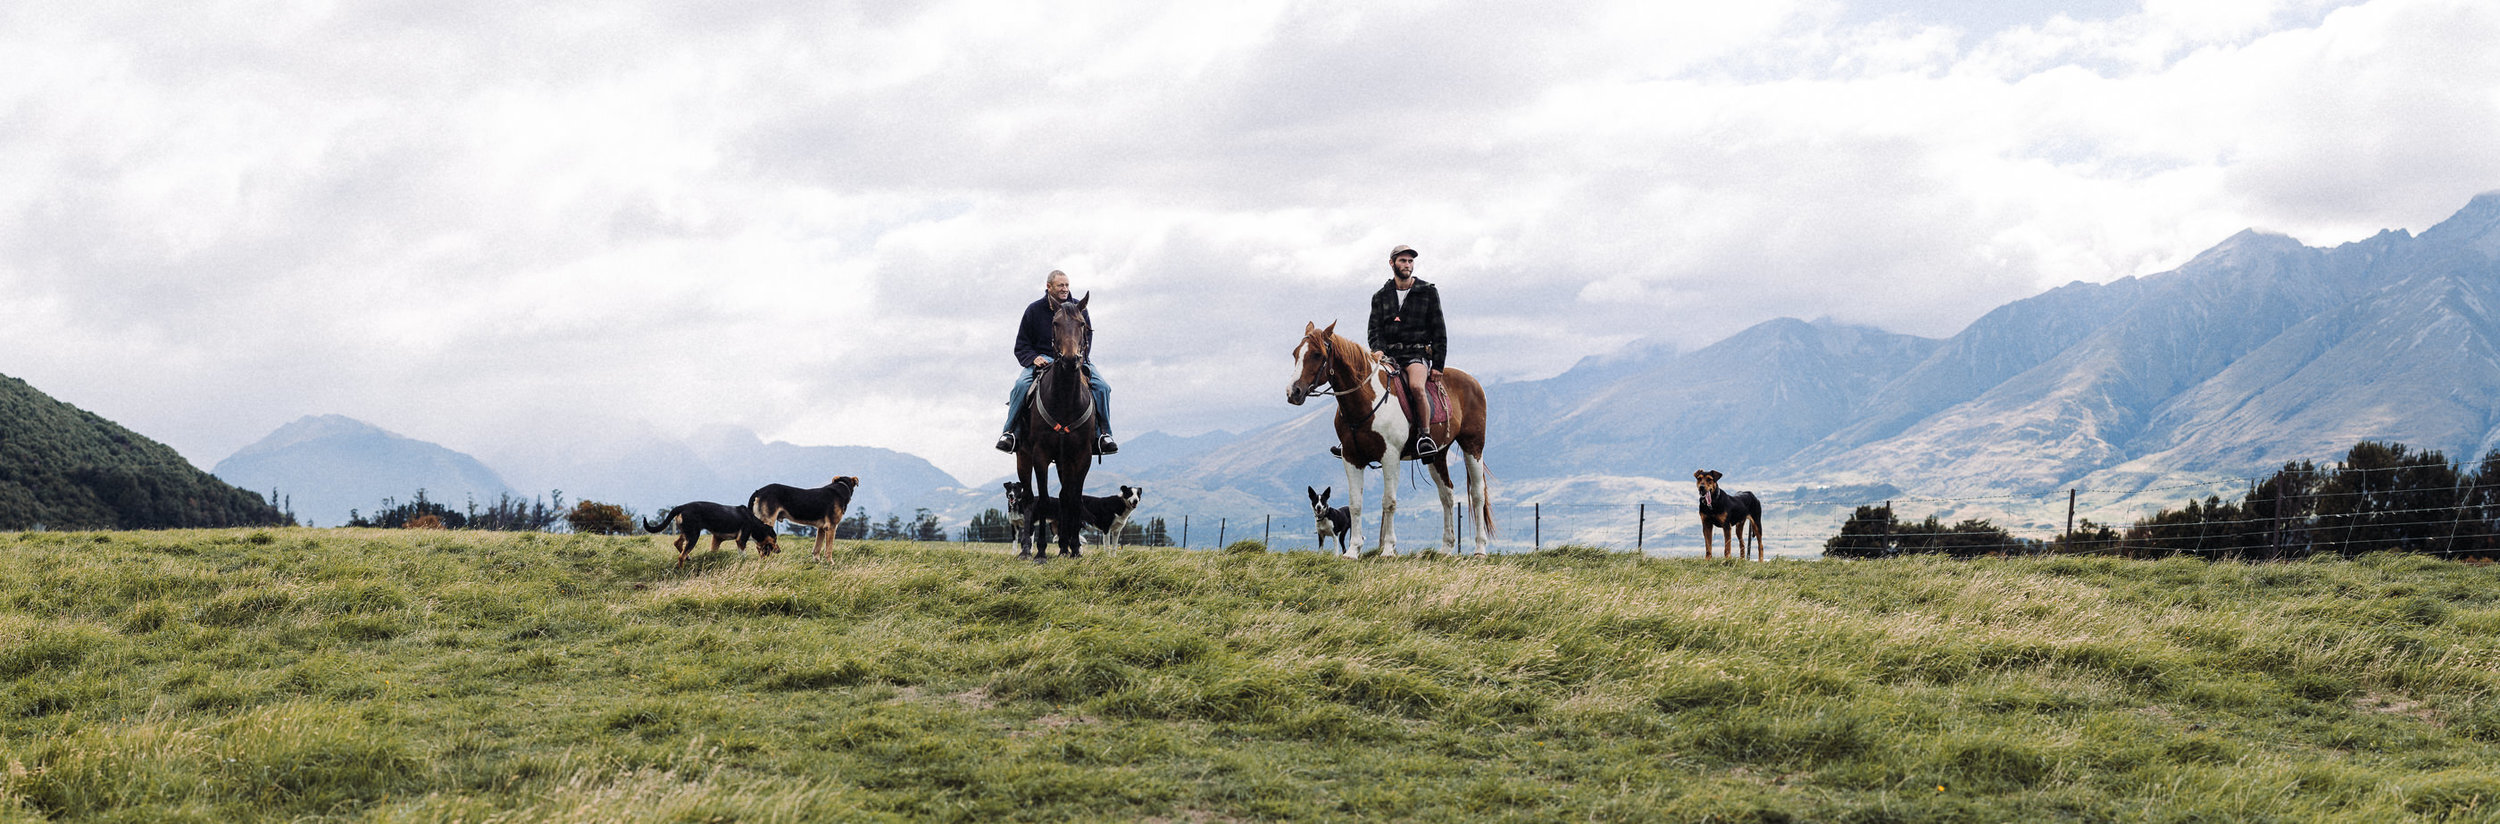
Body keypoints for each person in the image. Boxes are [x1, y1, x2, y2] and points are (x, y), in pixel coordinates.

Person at [996, 269, 1117, 455]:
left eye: (1067, 285)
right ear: (1049, 286)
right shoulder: (1034, 310)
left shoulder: (1079, 308)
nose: (1065, 289)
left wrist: (1079, 358)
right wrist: (1034, 358)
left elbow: (1087, 340)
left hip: (1075, 359)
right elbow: (1022, 345)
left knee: (1103, 388)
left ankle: (1104, 435)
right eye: (1060, 285)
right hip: (1042, 361)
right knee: (1020, 386)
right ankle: (1010, 432)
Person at [1367, 244, 1445, 459]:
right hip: (1389, 356)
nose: (1407, 265)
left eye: (1410, 261)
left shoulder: (1428, 291)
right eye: (1403, 261)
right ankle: (1355, 437)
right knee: (1366, 385)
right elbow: (1374, 330)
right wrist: (1378, 350)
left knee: (1416, 387)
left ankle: (1425, 436)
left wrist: (1438, 364)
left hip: (1416, 354)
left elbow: (1439, 330)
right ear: (1392, 263)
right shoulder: (1380, 296)